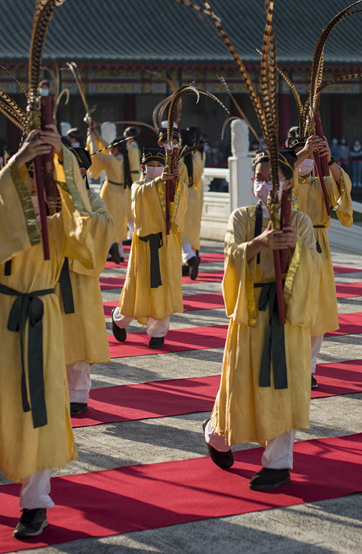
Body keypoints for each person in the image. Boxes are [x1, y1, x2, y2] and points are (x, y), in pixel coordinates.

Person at [0, 126, 99, 539]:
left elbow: (85, 224)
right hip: (4, 313)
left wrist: (67, 160)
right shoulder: (2, 199)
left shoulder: (61, 213)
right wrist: (20, 159)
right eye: (34, 173)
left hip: (43, 312)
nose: (44, 186)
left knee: (41, 406)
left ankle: (35, 503)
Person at [203, 148, 320, 491]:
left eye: (275, 179)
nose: (266, 185)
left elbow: (313, 268)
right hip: (251, 314)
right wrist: (258, 243)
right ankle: (216, 435)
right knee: (240, 385)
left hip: (287, 314)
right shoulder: (241, 217)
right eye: (261, 178)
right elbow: (230, 255)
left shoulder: (300, 221)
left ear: (289, 183)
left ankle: (278, 463)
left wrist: (295, 249)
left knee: (285, 385)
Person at [289, 133, 353, 387]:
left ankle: (309, 368)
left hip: (318, 245)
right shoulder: (285, 179)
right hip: (291, 244)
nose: (305, 161)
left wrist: (327, 158)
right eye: (299, 155)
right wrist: (303, 152)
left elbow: (341, 186)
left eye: (308, 156)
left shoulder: (320, 182)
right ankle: (291, 363)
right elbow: (281, 173)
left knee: (317, 307)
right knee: (293, 305)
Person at [110, 146, 187, 347]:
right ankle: (120, 319)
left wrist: (176, 183)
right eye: (151, 166)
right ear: (143, 167)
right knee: (136, 287)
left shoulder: (169, 184)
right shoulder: (138, 187)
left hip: (167, 243)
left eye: (160, 165)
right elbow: (139, 201)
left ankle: (158, 333)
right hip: (144, 246)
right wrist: (160, 182)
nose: (155, 169)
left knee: (164, 286)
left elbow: (178, 208)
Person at [58, 146, 114, 416]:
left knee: (79, 335)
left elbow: (106, 223)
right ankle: (50, 391)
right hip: (48, 277)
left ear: (80, 171)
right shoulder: (48, 197)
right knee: (51, 335)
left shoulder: (91, 199)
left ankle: (78, 393)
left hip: (79, 278)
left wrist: (80, 218)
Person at [88, 130, 130, 264]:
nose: (110, 149)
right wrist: (99, 136)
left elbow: (96, 153)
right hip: (122, 194)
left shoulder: (111, 161)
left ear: (117, 150)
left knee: (106, 219)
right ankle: (117, 249)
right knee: (118, 222)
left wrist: (91, 138)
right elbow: (108, 149)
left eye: (113, 148)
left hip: (110, 192)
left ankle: (110, 247)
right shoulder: (125, 159)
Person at [180, 127, 206, 279]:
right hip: (194, 194)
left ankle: (190, 258)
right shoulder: (197, 158)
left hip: (182, 195)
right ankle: (185, 263)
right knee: (191, 230)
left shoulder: (179, 159)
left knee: (180, 230)